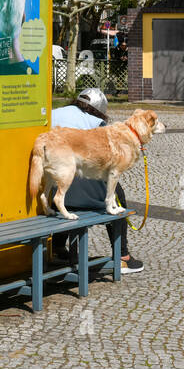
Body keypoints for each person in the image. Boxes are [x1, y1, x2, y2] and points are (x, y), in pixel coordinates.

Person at [48, 87, 143, 274]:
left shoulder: (54, 114)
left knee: (64, 192)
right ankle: (122, 256)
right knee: (117, 196)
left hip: (55, 183)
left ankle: (58, 248)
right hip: (79, 181)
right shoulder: (96, 123)